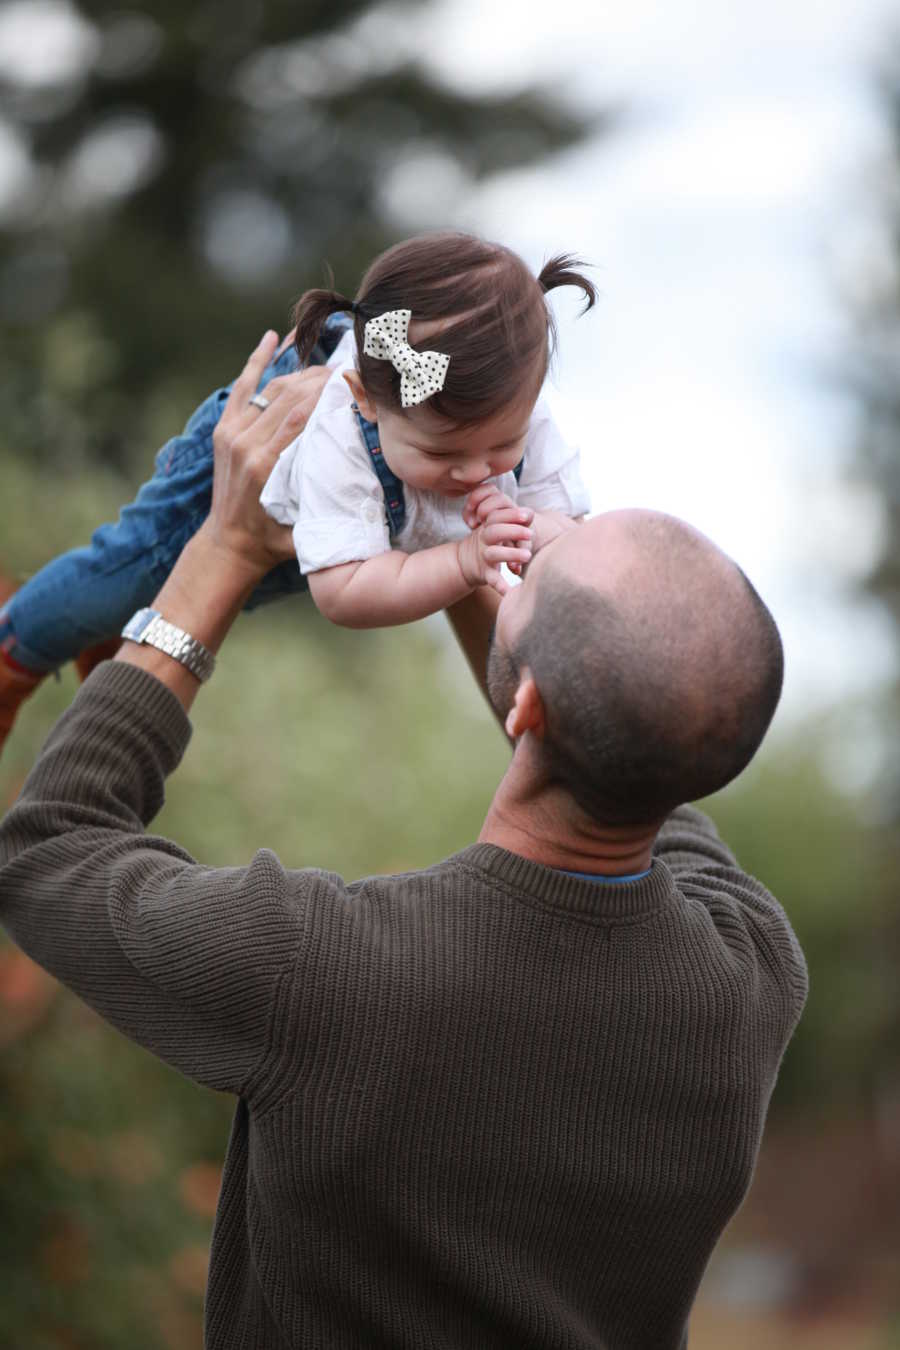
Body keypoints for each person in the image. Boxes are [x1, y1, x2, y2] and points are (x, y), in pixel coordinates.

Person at [0, 337, 808, 1350]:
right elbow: (621, 737)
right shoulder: (751, 971)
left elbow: (50, 849)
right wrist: (460, 532)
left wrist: (225, 549)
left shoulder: (328, 971)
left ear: (529, 706)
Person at [0, 231, 594, 753]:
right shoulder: (343, 429)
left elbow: (572, 543)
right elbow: (345, 594)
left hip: (362, 528)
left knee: (228, 596)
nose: (473, 472)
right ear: (365, 400)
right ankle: (14, 647)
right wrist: (467, 556)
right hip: (260, 464)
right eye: (442, 454)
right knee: (135, 566)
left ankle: (117, 622)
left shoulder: (519, 408)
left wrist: (530, 529)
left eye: (499, 449)